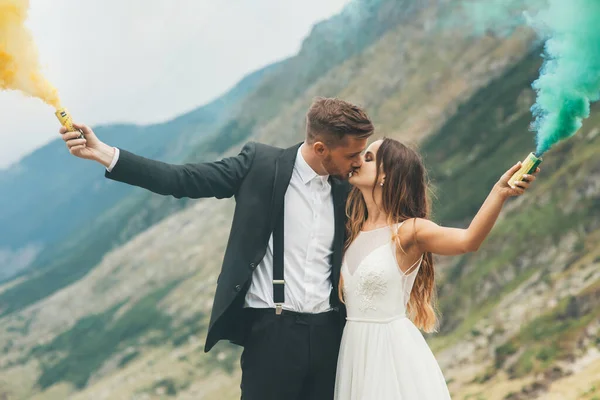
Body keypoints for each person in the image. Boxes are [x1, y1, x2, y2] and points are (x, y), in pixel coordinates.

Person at [59, 97, 373, 400]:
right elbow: (181, 180)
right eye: (353, 155)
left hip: (330, 334)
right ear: (321, 148)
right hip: (273, 336)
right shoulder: (261, 165)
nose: (359, 162)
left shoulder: (349, 187)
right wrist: (104, 153)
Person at [334, 138, 540, 399]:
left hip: (389, 352)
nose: (357, 161)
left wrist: (499, 192)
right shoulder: (353, 230)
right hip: (353, 351)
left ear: (386, 175)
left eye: (369, 158)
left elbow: (468, 241)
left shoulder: (410, 230)